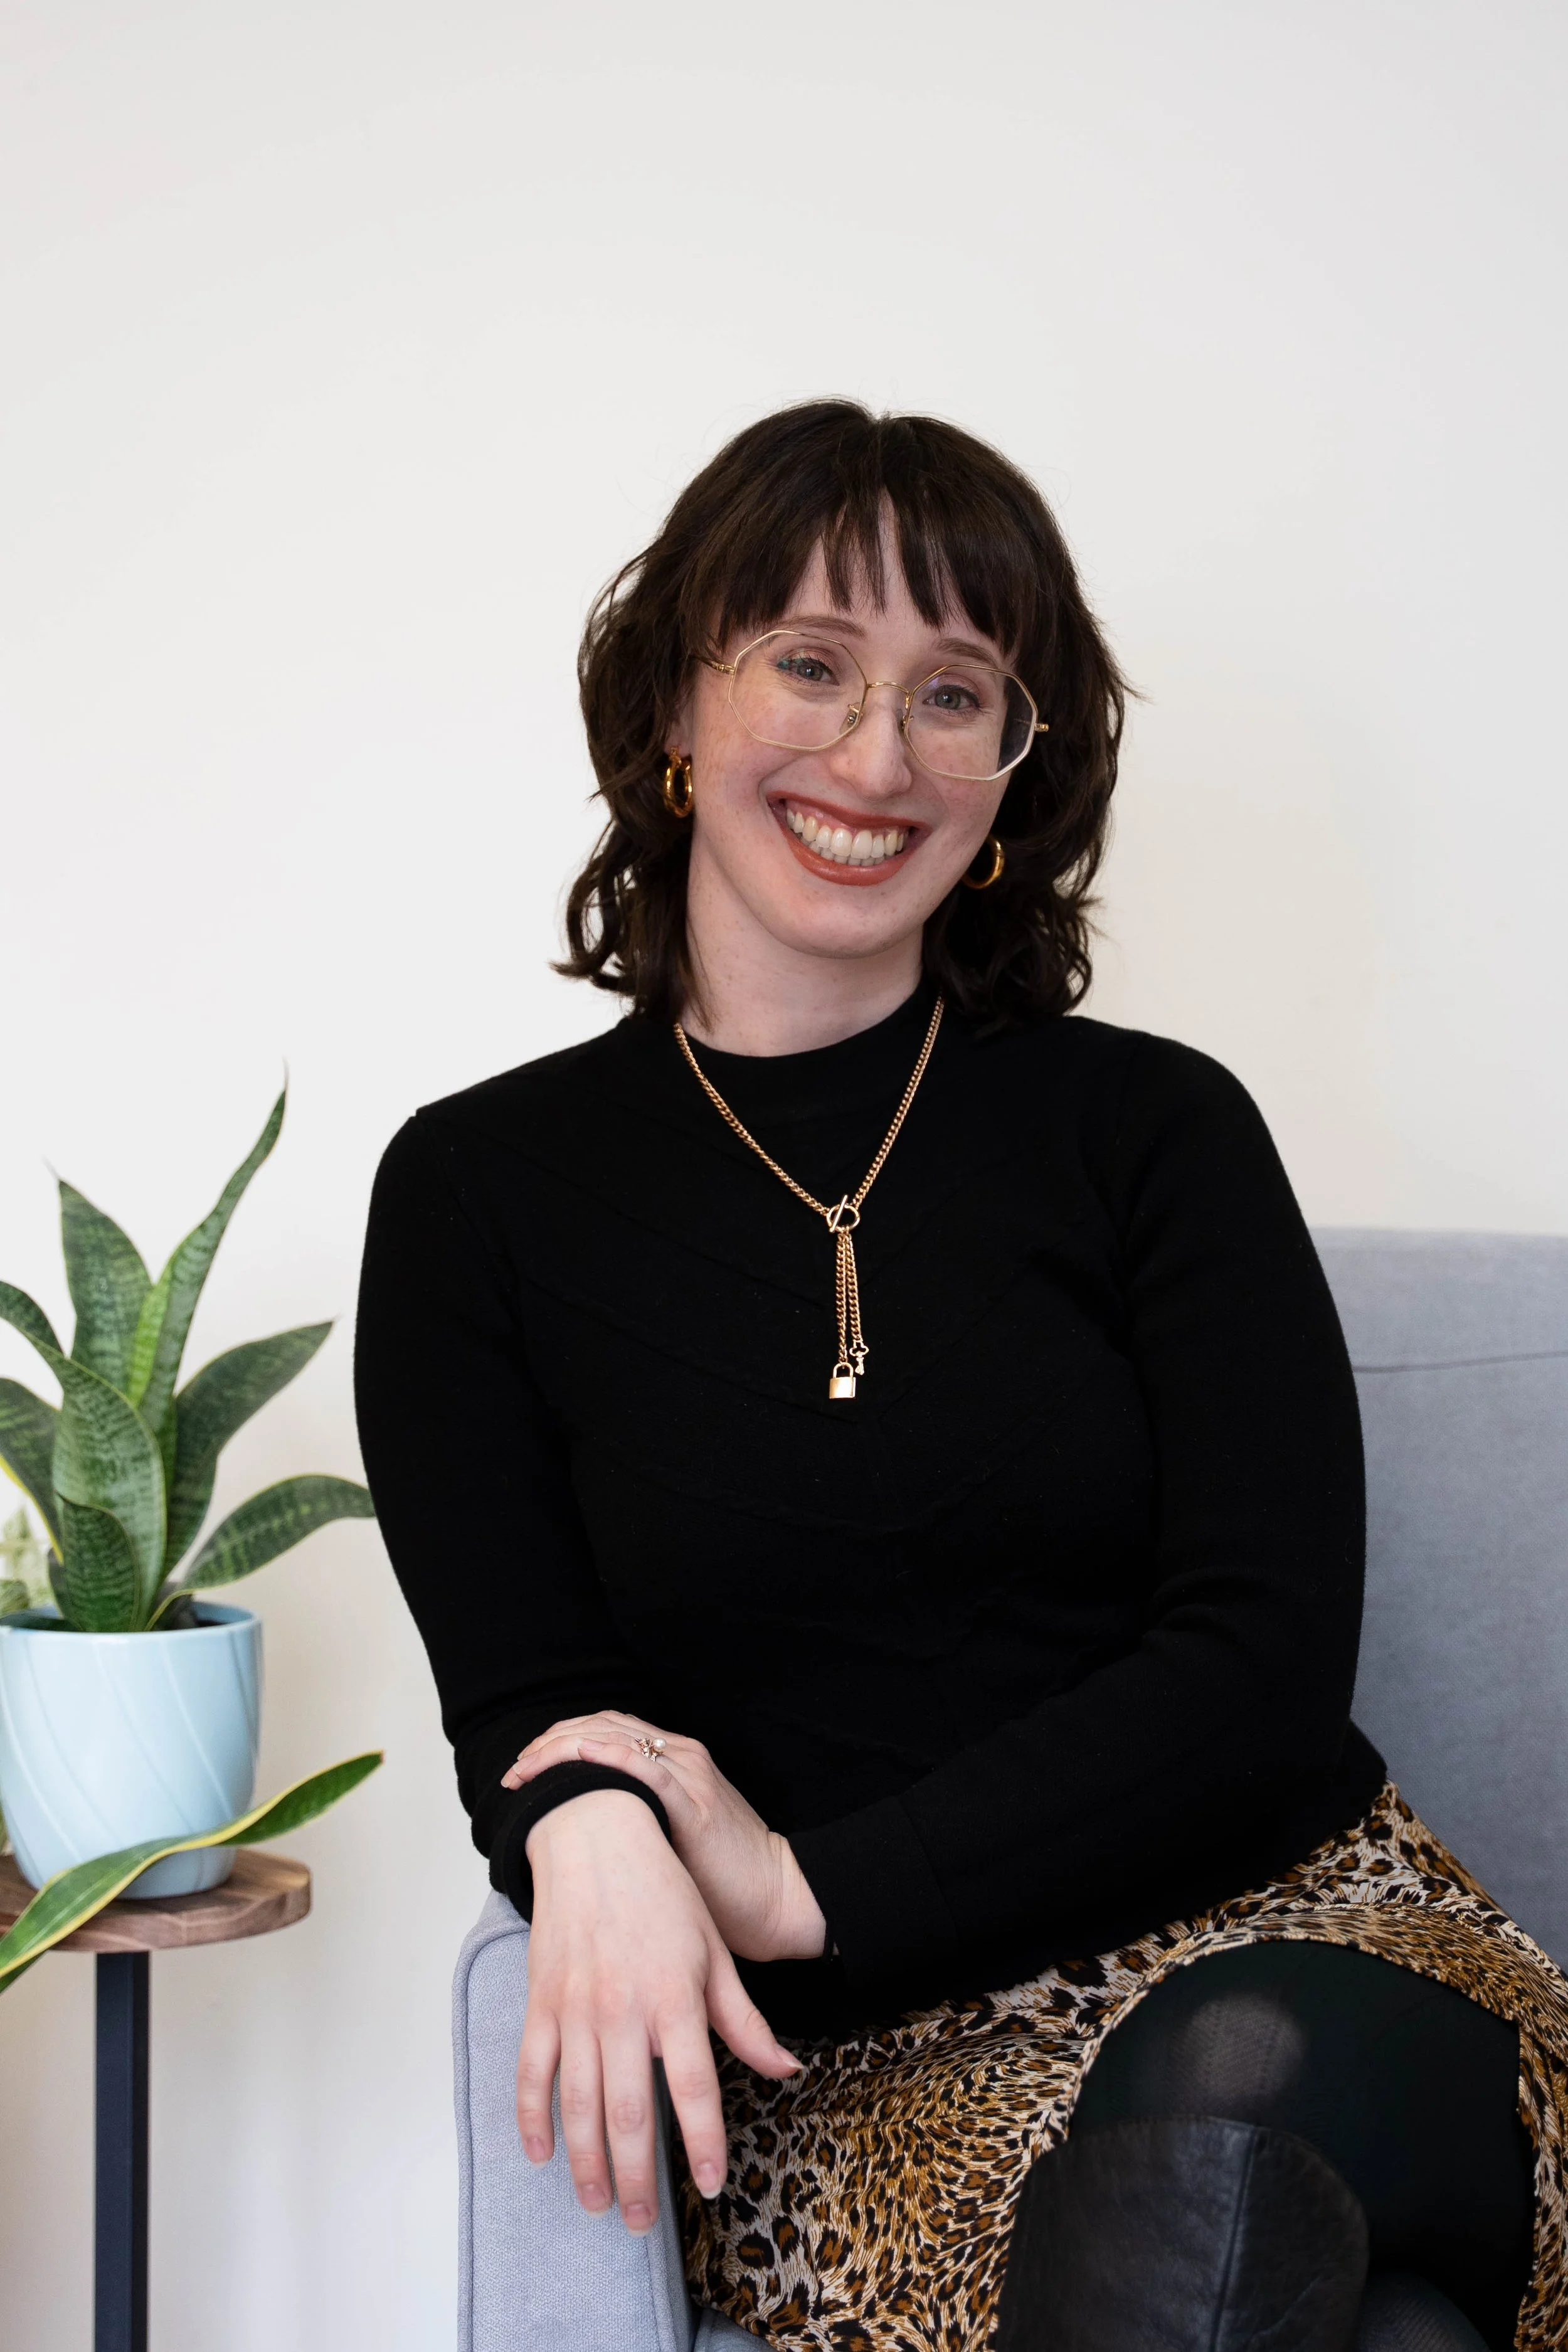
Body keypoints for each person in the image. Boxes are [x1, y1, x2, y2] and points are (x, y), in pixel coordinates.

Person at [354, 401, 1568, 2352]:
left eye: (953, 692)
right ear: (676, 705)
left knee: (1239, 2081)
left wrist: (808, 1881)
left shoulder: (1151, 1129)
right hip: (867, 2088)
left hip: (1306, 1958)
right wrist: (581, 1816)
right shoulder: (475, 1196)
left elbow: (1258, 1662)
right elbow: (530, 1697)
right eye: (810, 666)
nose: (873, 754)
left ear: (1013, 771)